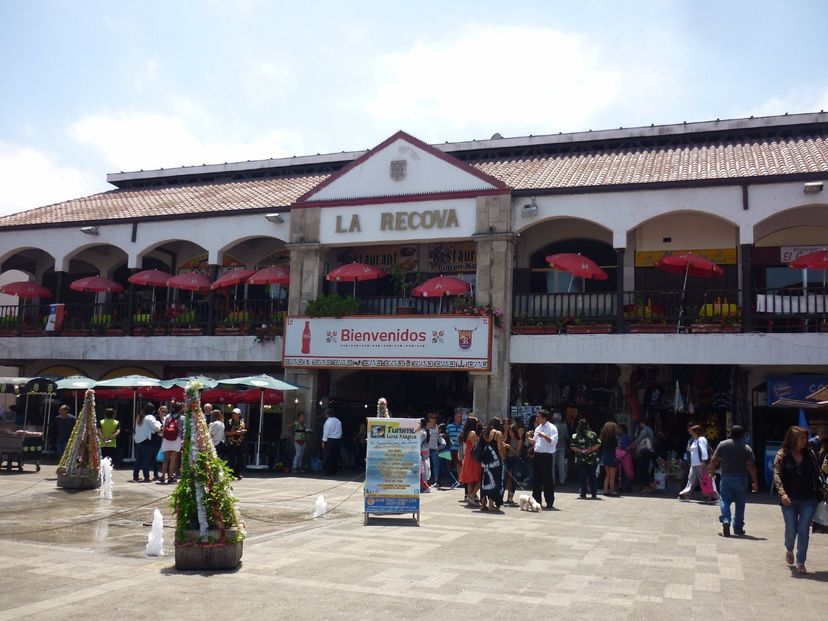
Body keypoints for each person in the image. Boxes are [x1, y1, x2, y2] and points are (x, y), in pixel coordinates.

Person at [773, 425, 825, 574]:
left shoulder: (811, 454)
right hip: (788, 499)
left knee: (803, 529)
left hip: (809, 499)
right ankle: (789, 548)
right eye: (801, 437)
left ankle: (801, 560)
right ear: (792, 439)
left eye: (805, 437)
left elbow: (818, 472)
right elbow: (776, 474)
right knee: (791, 529)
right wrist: (782, 494)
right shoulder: (782, 454)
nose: (805, 440)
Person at [708, 425, 758, 537]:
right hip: (742, 479)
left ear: (730, 433)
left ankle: (726, 520)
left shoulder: (723, 444)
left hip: (726, 477)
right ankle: (738, 527)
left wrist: (711, 472)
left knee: (724, 500)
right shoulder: (747, 448)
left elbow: (714, 459)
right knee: (740, 504)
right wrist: (755, 481)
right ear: (742, 435)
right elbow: (751, 466)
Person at [527, 409, 558, 509]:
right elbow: (534, 442)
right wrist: (528, 438)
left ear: (544, 418)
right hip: (537, 455)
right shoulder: (538, 428)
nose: (537, 418)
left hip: (546, 456)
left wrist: (544, 436)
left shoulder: (552, 428)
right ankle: (536, 500)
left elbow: (553, 441)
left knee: (547, 479)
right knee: (537, 478)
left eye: (539, 417)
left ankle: (549, 501)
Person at [679, 424, 716, 501]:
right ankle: (685, 495)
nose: (691, 433)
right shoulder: (695, 440)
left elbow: (703, 450)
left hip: (700, 464)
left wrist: (703, 461)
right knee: (691, 479)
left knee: (704, 480)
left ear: (696, 432)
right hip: (694, 464)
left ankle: (712, 495)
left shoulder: (701, 439)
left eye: (692, 432)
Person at [478, 417, 506, 511]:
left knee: (484, 481)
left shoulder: (484, 433)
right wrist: (503, 458)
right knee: (494, 481)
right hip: (495, 461)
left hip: (485, 460)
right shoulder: (498, 433)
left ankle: (483, 504)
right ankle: (491, 503)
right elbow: (500, 448)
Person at [571, 418, 601, 499]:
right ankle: (594, 494)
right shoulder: (593, 434)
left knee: (582, 477)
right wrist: (590, 450)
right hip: (592, 459)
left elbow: (572, 446)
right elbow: (598, 444)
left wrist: (581, 451)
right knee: (592, 476)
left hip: (580, 459)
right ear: (588, 425)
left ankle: (583, 493)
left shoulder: (575, 435)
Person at [132, 404, 161, 482]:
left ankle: (135, 476)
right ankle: (146, 477)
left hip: (138, 441)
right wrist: (158, 422)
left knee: (138, 459)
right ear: (152, 411)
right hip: (146, 441)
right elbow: (157, 428)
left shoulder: (140, 417)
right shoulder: (150, 417)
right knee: (146, 460)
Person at [459, 415, 482, 506]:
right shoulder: (472, 433)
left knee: (470, 478)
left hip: (469, 456)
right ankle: (472, 495)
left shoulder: (467, 432)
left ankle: (470, 496)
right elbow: (475, 446)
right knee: (479, 477)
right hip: (473, 457)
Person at [158, 402, 183, 485]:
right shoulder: (182, 418)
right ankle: (170, 478)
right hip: (177, 439)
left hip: (166, 439)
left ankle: (163, 476)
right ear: (180, 409)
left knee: (166, 459)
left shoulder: (168, 416)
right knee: (173, 459)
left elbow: (164, 427)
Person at [631, 418, 656, 492]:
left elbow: (638, 440)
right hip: (651, 451)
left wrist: (632, 445)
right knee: (648, 468)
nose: (640, 425)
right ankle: (649, 485)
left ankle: (646, 486)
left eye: (640, 424)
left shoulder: (644, 431)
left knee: (644, 469)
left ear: (642, 423)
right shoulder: (650, 430)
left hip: (646, 451)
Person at [225, 407, 247, 479]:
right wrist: (234, 433)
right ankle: (230, 474)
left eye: (235, 414)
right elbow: (226, 433)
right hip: (231, 443)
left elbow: (245, 430)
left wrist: (244, 431)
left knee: (239, 459)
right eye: (233, 413)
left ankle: (237, 474)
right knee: (231, 459)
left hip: (240, 443)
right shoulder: (229, 422)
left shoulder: (242, 422)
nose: (234, 415)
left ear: (239, 414)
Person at [599, 421, 619, 496]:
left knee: (607, 475)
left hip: (605, 455)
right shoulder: (613, 436)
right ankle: (612, 490)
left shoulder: (603, 436)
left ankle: (605, 490)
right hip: (611, 455)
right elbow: (616, 446)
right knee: (612, 475)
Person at [321, 407, 342, 476]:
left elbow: (326, 432)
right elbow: (340, 432)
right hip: (337, 440)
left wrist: (323, 441)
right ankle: (334, 470)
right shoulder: (338, 421)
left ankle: (328, 471)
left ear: (327, 414)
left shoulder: (328, 422)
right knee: (335, 455)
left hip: (330, 440)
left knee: (329, 455)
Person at [445, 411, 464, 485]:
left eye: (460, 417)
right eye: (458, 417)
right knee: (449, 465)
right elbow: (446, 436)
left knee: (459, 465)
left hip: (459, 449)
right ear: (455, 417)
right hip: (450, 448)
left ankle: (460, 481)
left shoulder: (463, 427)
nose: (460, 418)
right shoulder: (449, 426)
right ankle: (450, 480)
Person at [551, 412, 569, 484]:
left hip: (553, 446)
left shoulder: (552, 426)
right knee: (561, 464)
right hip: (562, 445)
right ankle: (562, 480)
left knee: (552, 464)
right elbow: (567, 436)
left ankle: (553, 481)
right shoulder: (564, 426)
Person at [425, 413, 440, 486]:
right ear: (429, 418)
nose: (434, 419)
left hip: (435, 448)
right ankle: (425, 481)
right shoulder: (426, 427)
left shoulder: (438, 427)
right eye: (433, 417)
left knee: (436, 465)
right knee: (426, 465)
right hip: (426, 448)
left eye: (435, 417)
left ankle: (437, 481)